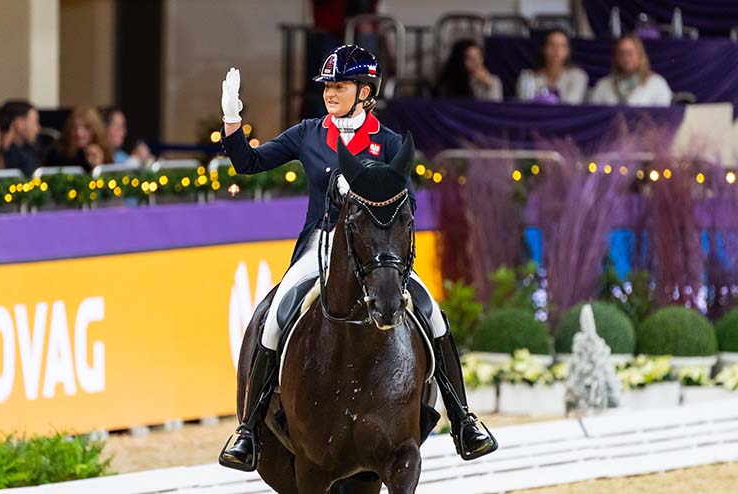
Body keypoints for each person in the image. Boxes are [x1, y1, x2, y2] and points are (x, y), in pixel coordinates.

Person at [218, 45, 496, 471]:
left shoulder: (389, 143)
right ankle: (249, 429)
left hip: (377, 249)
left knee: (431, 314)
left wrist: (376, 209)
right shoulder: (309, 133)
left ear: (365, 91)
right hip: (321, 243)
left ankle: (463, 419)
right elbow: (249, 163)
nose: (330, 94)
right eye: (328, 86)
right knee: (275, 315)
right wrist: (232, 120)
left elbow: (407, 205)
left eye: (341, 86)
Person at [590, 34, 672, 106]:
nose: (626, 58)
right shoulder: (603, 85)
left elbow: (665, 116)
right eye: (621, 53)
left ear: (640, 55)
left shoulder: (657, 83)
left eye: (630, 53)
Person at [516, 29, 588, 104]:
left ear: (568, 51)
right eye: (552, 45)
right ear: (543, 48)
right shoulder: (528, 77)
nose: (557, 50)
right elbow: (524, 104)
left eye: (562, 46)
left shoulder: (578, 76)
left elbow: (571, 104)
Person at [47, 106, 113, 171]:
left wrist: (97, 167)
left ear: (95, 130)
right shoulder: (58, 151)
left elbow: (111, 176)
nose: (79, 133)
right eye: (74, 127)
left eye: (86, 128)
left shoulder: (104, 151)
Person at [436, 39, 503, 101]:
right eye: (469, 58)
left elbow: (496, 106)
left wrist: (488, 84)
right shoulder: (449, 83)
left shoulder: (494, 81)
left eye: (478, 56)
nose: (476, 61)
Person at [0, 100, 41, 176]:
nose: (38, 129)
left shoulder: (31, 150)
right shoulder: (3, 155)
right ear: (19, 123)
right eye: (35, 122)